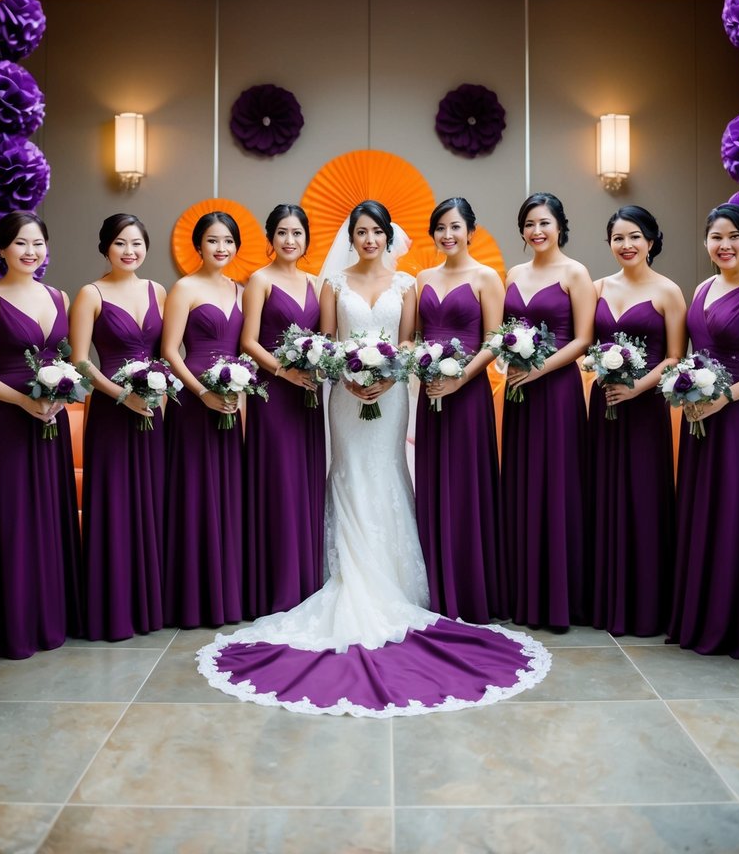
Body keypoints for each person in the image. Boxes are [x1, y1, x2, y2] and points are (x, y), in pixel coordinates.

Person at [197, 201, 550, 717]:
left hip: (390, 396)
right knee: (347, 474)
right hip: (343, 395)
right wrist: (344, 375)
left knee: (386, 473)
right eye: (360, 232)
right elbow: (323, 341)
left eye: (376, 232)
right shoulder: (331, 285)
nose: (368, 239)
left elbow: (407, 343)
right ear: (352, 237)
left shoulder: (409, 284)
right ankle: (345, 574)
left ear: (388, 236)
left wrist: (388, 376)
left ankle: (394, 579)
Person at [0, 212, 82, 659]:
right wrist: (21, 400)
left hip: (53, 419)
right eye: (20, 244)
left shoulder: (59, 296)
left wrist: (61, 395)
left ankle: (52, 617)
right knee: (14, 518)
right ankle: (12, 626)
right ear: (2, 250)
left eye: (38, 243)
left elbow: (69, 360)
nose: (30, 252)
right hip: (9, 422)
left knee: (50, 512)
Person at [667, 203, 739, 661]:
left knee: (737, 512)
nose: (724, 245)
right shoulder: (701, 288)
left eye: (734, 236)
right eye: (716, 236)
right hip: (700, 420)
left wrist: (724, 398)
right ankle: (701, 616)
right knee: (704, 512)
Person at [69, 213, 166, 641]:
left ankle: (151, 604)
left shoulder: (158, 290)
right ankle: (113, 607)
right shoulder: (90, 294)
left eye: (137, 243)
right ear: (106, 247)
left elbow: (165, 352)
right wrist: (121, 395)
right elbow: (79, 361)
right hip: (111, 411)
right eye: (121, 243)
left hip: (151, 412)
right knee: (115, 504)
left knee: (152, 501)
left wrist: (158, 391)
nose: (130, 251)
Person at [500, 192, 595, 630]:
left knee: (556, 485)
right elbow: (504, 332)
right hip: (520, 392)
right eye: (529, 224)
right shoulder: (514, 273)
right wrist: (507, 357)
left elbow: (582, 340)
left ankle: (560, 597)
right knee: (522, 483)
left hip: (556, 391)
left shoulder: (575, 273)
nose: (536, 231)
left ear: (560, 225)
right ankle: (524, 591)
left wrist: (538, 368)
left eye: (544, 223)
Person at [589, 206, 685, 637]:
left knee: (642, 496)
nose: (626, 245)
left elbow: (674, 358)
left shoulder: (668, 292)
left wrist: (637, 388)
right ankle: (603, 600)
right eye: (617, 238)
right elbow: (583, 342)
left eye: (634, 237)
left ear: (650, 240)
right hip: (604, 405)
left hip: (645, 408)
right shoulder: (596, 288)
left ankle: (646, 605)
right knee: (602, 493)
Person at [414, 196, 504, 621]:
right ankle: (435, 587)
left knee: (466, 486)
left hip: (467, 395)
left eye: (455, 227)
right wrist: (422, 366)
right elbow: (413, 336)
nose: (447, 235)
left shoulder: (487, 278)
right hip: (431, 394)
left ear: (471, 230)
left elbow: (493, 340)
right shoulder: (422, 277)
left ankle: (470, 588)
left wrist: (459, 377)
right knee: (434, 483)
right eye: (440, 228)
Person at [240, 204, 325, 617]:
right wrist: (284, 372)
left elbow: (325, 339)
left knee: (305, 483)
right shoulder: (259, 280)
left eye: (297, 233)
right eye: (282, 233)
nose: (290, 240)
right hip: (273, 396)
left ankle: (306, 581)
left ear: (306, 239)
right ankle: (277, 585)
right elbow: (249, 341)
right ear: (270, 238)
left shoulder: (315, 283)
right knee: (278, 483)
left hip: (308, 397)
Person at [161, 211, 245, 628]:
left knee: (226, 495)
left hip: (229, 402)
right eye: (213, 240)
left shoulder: (239, 289)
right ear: (198, 245)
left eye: (228, 241)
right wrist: (203, 393)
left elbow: (243, 348)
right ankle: (192, 599)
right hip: (194, 402)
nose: (221, 248)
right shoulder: (184, 288)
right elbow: (171, 351)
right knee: (195, 495)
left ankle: (225, 596)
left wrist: (234, 390)